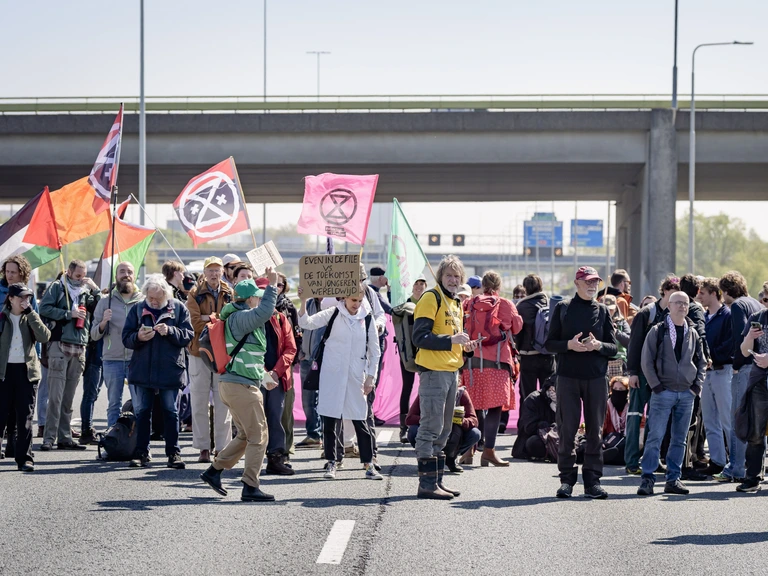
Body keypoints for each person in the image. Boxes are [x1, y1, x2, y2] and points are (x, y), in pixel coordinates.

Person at [199, 274, 280, 502]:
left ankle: (214, 471)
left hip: (235, 385)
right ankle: (250, 486)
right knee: (259, 437)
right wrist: (273, 285)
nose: (259, 300)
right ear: (250, 299)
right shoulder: (241, 317)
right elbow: (265, 312)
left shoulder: (237, 317)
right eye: (257, 297)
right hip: (241, 387)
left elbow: (248, 355)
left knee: (246, 435)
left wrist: (264, 377)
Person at [545, 266, 617, 499]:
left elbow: (614, 348)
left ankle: (592, 481)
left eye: (595, 281)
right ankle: (567, 480)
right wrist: (569, 345)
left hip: (596, 378)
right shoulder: (563, 308)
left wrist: (598, 346)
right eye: (587, 281)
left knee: (596, 431)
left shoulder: (603, 310)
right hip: (568, 377)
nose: (592, 285)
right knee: (567, 429)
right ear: (577, 283)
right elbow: (549, 343)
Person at [297, 286, 382, 481]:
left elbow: (374, 351)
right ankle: (332, 462)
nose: (356, 304)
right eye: (353, 300)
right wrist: (302, 301)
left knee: (360, 420)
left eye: (359, 300)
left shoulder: (367, 318)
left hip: (356, 377)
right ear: (344, 298)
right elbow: (306, 323)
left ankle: (368, 464)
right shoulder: (333, 313)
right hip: (332, 375)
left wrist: (371, 376)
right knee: (330, 420)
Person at [412, 255, 478, 500]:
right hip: (434, 372)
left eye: (457, 276)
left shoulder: (456, 302)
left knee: (445, 429)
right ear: (440, 276)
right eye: (449, 275)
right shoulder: (431, 297)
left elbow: (453, 340)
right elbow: (419, 337)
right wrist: (451, 340)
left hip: (452, 372)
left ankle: (436, 481)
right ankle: (426, 485)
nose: (453, 280)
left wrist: (465, 347)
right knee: (430, 427)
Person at [637, 291, 706, 496]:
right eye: (678, 303)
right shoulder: (657, 330)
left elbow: (702, 361)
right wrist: (656, 386)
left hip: (686, 393)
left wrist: (696, 387)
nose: (682, 306)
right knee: (655, 437)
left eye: (685, 303)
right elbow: (646, 361)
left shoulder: (692, 332)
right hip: (663, 392)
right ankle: (647, 478)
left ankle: (673, 479)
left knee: (679, 439)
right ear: (669, 305)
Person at [122, 275, 193, 469]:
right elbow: (126, 338)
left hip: (170, 369)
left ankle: (173, 453)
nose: (153, 301)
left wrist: (170, 331)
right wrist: (138, 336)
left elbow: (188, 335)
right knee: (142, 412)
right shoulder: (138, 308)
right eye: (150, 298)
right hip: (143, 369)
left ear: (166, 296)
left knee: (171, 412)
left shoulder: (178, 308)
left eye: (157, 298)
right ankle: (141, 452)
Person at [39, 259, 101, 452]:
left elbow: (100, 307)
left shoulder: (85, 291)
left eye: (84, 276)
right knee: (55, 397)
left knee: (68, 398)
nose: (81, 279)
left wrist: (95, 289)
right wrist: (68, 314)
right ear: (69, 272)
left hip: (79, 347)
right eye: (78, 276)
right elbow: (44, 309)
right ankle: (49, 438)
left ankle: (65, 438)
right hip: (59, 345)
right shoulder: (57, 287)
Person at [461, 270, 522, 467]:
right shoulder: (505, 304)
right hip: (497, 362)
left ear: (482, 285)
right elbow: (517, 327)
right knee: (495, 408)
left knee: (474, 406)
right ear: (498, 286)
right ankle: (488, 452)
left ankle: (469, 451)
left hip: (471, 362)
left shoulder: (469, 303)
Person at [623, 275, 680, 475]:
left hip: (662, 375)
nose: (676, 299)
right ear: (664, 291)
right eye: (673, 293)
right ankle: (631, 462)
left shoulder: (675, 315)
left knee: (656, 419)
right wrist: (632, 372)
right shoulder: (646, 313)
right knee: (635, 416)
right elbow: (634, 344)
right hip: (641, 373)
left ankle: (651, 460)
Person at [186, 256, 234, 463]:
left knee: (224, 402)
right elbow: (194, 323)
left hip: (223, 352)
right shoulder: (194, 293)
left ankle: (222, 448)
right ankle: (203, 447)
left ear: (223, 272)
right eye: (210, 270)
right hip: (199, 352)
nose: (214, 274)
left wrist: (210, 318)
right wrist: (218, 319)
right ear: (204, 273)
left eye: (217, 270)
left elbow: (233, 321)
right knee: (199, 401)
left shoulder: (230, 293)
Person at [716, 271, 762, 483]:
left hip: (745, 367)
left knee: (739, 418)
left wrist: (736, 365)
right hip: (760, 367)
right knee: (758, 420)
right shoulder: (756, 303)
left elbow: (739, 337)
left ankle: (736, 468)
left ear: (727, 291)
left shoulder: (737, 306)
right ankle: (756, 469)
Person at [0, 284, 50, 471]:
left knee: (25, 417)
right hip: (4, 372)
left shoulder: (30, 317)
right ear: (11, 298)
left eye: (28, 297)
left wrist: (31, 313)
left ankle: (25, 459)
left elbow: (45, 337)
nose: (25, 301)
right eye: (21, 297)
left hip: (27, 372)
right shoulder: (2, 318)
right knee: (1, 416)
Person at [90, 262, 143, 430]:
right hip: (112, 360)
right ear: (116, 276)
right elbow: (94, 334)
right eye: (122, 271)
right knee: (114, 404)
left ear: (134, 276)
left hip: (137, 360)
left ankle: (140, 441)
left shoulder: (143, 301)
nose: (126, 275)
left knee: (140, 405)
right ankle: (113, 439)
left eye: (129, 272)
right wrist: (103, 322)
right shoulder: (105, 302)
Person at [252, 277, 297, 476]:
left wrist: (275, 372)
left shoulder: (280, 318)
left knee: (276, 417)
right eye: (260, 296)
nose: (264, 300)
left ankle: (276, 458)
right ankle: (253, 462)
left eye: (267, 295)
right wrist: (263, 372)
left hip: (277, 378)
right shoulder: (249, 318)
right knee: (255, 420)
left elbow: (290, 348)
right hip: (254, 376)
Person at [0, 255, 40, 458]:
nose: (9, 275)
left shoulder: (29, 297)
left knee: (22, 413)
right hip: (3, 364)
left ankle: (18, 451)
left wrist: (36, 360)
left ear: (22, 274)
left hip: (24, 364)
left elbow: (39, 333)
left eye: (13, 272)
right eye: (7, 271)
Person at [697, 277, 732, 476]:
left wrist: (711, 356)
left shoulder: (727, 315)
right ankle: (718, 461)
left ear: (713, 293)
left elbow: (730, 344)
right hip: (707, 374)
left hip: (722, 371)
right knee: (710, 421)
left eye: (702, 293)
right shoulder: (703, 317)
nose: (699, 297)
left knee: (727, 420)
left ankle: (736, 462)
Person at [406, 385, 480, 473]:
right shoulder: (427, 392)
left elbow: (474, 420)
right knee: (413, 431)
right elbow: (409, 419)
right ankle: (425, 457)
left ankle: (451, 457)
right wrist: (430, 418)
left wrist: (459, 419)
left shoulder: (461, 394)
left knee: (475, 433)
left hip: (454, 435)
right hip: (430, 432)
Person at [734, 304, 768, 492]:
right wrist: (749, 337)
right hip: (759, 380)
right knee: (755, 431)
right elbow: (745, 351)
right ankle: (752, 477)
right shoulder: (757, 317)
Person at [393, 275, 427, 444]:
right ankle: (404, 428)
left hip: (426, 352)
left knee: (426, 388)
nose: (419, 286)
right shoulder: (404, 304)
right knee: (407, 387)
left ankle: (423, 423)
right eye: (416, 283)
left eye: (422, 283)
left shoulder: (429, 302)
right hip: (408, 353)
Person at [514, 274, 557, 402]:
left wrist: (517, 352)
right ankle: (548, 416)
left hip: (528, 356)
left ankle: (528, 416)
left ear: (525, 288)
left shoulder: (521, 307)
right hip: (548, 355)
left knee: (527, 396)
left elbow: (517, 332)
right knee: (549, 395)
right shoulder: (550, 304)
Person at [275, 272, 301, 460]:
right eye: (273, 284)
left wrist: (292, 359)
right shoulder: (259, 306)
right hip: (264, 364)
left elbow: (297, 335)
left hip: (285, 363)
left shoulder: (289, 307)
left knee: (286, 407)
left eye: (280, 284)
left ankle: (286, 447)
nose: (276, 287)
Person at [295, 294, 324, 449]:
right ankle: (313, 435)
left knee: (326, 401)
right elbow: (301, 327)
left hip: (325, 360)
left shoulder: (334, 304)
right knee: (308, 401)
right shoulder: (308, 303)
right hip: (307, 359)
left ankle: (328, 437)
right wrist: (300, 350)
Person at [511, 379, 557, 461]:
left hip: (560, 437)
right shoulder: (533, 399)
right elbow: (529, 427)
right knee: (534, 443)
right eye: (551, 390)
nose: (554, 393)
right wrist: (549, 427)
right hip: (539, 437)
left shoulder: (566, 400)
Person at [601, 294, 630, 379]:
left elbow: (630, 341)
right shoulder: (595, 323)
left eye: (611, 309)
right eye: (605, 309)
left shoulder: (622, 322)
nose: (608, 312)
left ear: (616, 308)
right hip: (600, 362)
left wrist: (616, 332)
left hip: (618, 363)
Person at [602, 376, 629, 465]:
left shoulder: (632, 406)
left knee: (627, 444)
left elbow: (641, 424)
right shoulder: (607, 406)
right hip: (609, 439)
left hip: (626, 439)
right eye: (615, 389)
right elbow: (601, 424)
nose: (618, 391)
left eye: (621, 389)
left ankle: (604, 457)